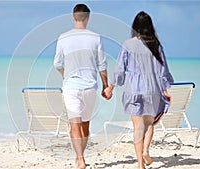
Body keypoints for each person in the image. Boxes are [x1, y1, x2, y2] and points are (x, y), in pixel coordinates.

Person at [104, 11, 174, 169]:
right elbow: (162, 70)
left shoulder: (128, 44)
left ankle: (140, 164)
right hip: (152, 90)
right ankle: (146, 151)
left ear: (135, 27)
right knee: (149, 124)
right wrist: (165, 90)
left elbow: (120, 69)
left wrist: (111, 86)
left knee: (137, 128)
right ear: (150, 27)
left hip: (134, 89)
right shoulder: (155, 44)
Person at [54, 4, 109, 169]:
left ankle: (80, 158)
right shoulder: (95, 37)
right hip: (90, 87)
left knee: (75, 124)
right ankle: (81, 157)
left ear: (73, 17)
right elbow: (102, 65)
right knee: (85, 124)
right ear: (87, 18)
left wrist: (65, 74)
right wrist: (105, 85)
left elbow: (57, 63)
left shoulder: (63, 37)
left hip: (71, 87)